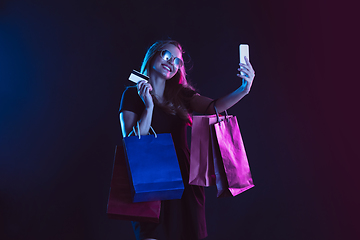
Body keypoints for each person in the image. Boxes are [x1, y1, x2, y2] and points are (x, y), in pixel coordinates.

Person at [119, 40, 255, 240]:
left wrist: (244, 89)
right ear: (153, 55)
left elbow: (213, 107)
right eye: (167, 56)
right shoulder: (131, 95)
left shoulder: (181, 95)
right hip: (149, 180)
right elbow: (135, 142)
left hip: (184, 181)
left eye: (177, 61)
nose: (171, 63)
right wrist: (148, 107)